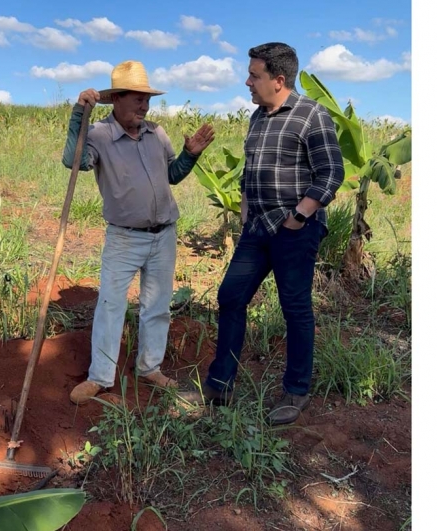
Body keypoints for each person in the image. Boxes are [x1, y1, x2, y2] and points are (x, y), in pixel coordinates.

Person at [178, 42, 344, 425]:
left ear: (279, 79)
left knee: (295, 308)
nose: (247, 81)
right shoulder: (258, 118)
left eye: (255, 75)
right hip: (257, 230)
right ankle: (221, 382)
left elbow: (331, 173)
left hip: (294, 231)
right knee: (231, 296)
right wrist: (246, 216)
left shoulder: (311, 115)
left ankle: (296, 390)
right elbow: (252, 174)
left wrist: (299, 216)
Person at [63, 60, 215, 405]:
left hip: (164, 235)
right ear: (115, 99)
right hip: (124, 238)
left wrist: (191, 155)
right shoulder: (100, 135)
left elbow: (172, 176)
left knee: (157, 306)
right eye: (136, 99)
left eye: (146, 100)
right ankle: (100, 377)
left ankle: (150, 367)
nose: (144, 107)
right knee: (111, 306)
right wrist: (78, 117)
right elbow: (74, 162)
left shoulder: (156, 133)